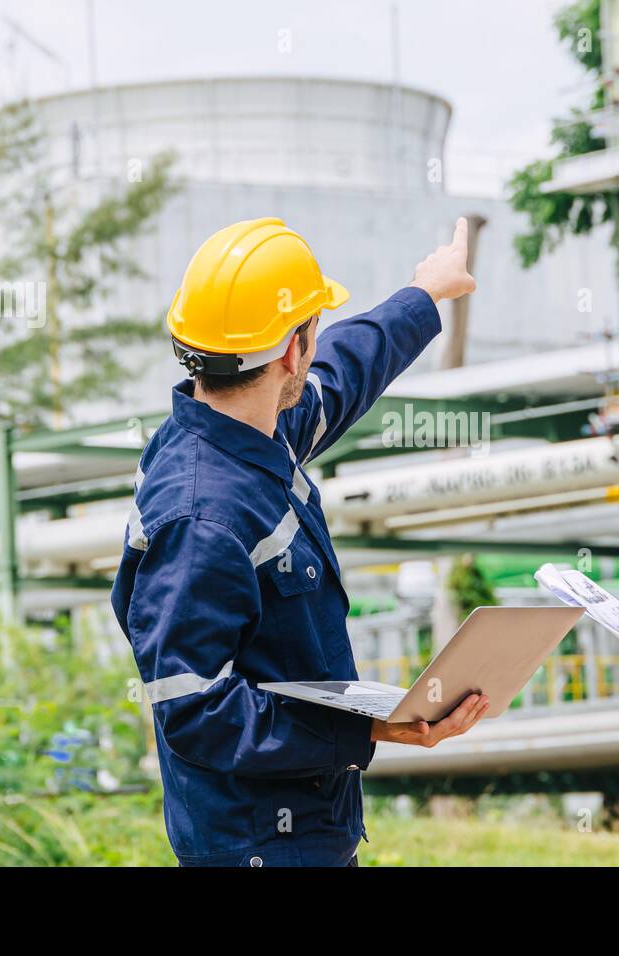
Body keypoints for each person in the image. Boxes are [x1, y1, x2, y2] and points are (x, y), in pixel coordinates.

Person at [111, 217, 486, 867]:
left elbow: (342, 373)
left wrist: (423, 296)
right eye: (313, 328)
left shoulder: (253, 434)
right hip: (257, 847)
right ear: (291, 351)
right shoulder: (204, 516)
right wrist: (368, 726)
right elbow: (196, 710)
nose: (317, 351)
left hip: (306, 829)